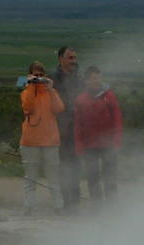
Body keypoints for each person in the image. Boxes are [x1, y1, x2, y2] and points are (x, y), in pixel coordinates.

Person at [18, 59, 64, 217]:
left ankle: (58, 206)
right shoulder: (25, 92)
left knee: (53, 176)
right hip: (30, 141)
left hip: (50, 141)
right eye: (34, 74)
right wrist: (31, 85)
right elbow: (28, 107)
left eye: (40, 74)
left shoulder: (50, 93)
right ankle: (28, 207)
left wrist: (51, 90)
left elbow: (59, 108)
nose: (38, 77)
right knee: (30, 177)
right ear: (29, 75)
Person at [73, 65, 122, 209]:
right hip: (89, 145)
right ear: (87, 81)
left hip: (108, 144)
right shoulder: (81, 99)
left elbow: (117, 119)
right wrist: (79, 144)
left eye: (99, 77)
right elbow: (77, 124)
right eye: (94, 78)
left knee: (110, 177)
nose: (98, 80)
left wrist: (117, 140)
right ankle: (97, 207)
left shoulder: (109, 96)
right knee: (93, 178)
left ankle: (112, 206)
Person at [53, 46, 81, 211]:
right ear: (60, 59)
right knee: (63, 167)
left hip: (77, 130)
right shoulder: (52, 80)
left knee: (76, 166)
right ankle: (66, 202)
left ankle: (75, 202)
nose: (73, 61)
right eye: (70, 58)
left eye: (75, 58)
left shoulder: (80, 80)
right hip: (59, 130)